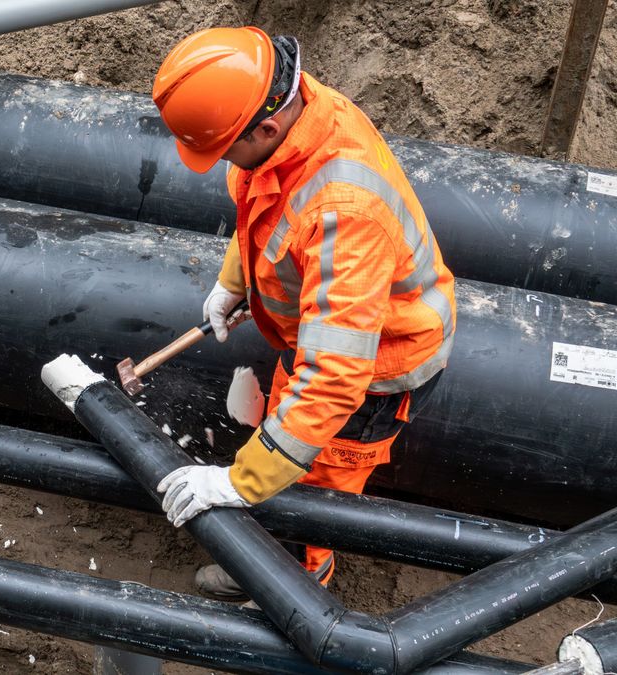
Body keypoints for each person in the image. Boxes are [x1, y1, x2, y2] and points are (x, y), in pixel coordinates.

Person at [150, 27, 456, 597]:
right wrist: (234, 281)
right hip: (324, 340)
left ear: (264, 128)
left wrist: (241, 482)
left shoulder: (345, 210)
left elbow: (336, 379)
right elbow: (263, 204)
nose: (222, 162)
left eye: (223, 148)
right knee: (288, 432)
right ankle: (281, 523)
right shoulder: (295, 112)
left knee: (319, 476)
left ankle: (298, 572)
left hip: (375, 370)